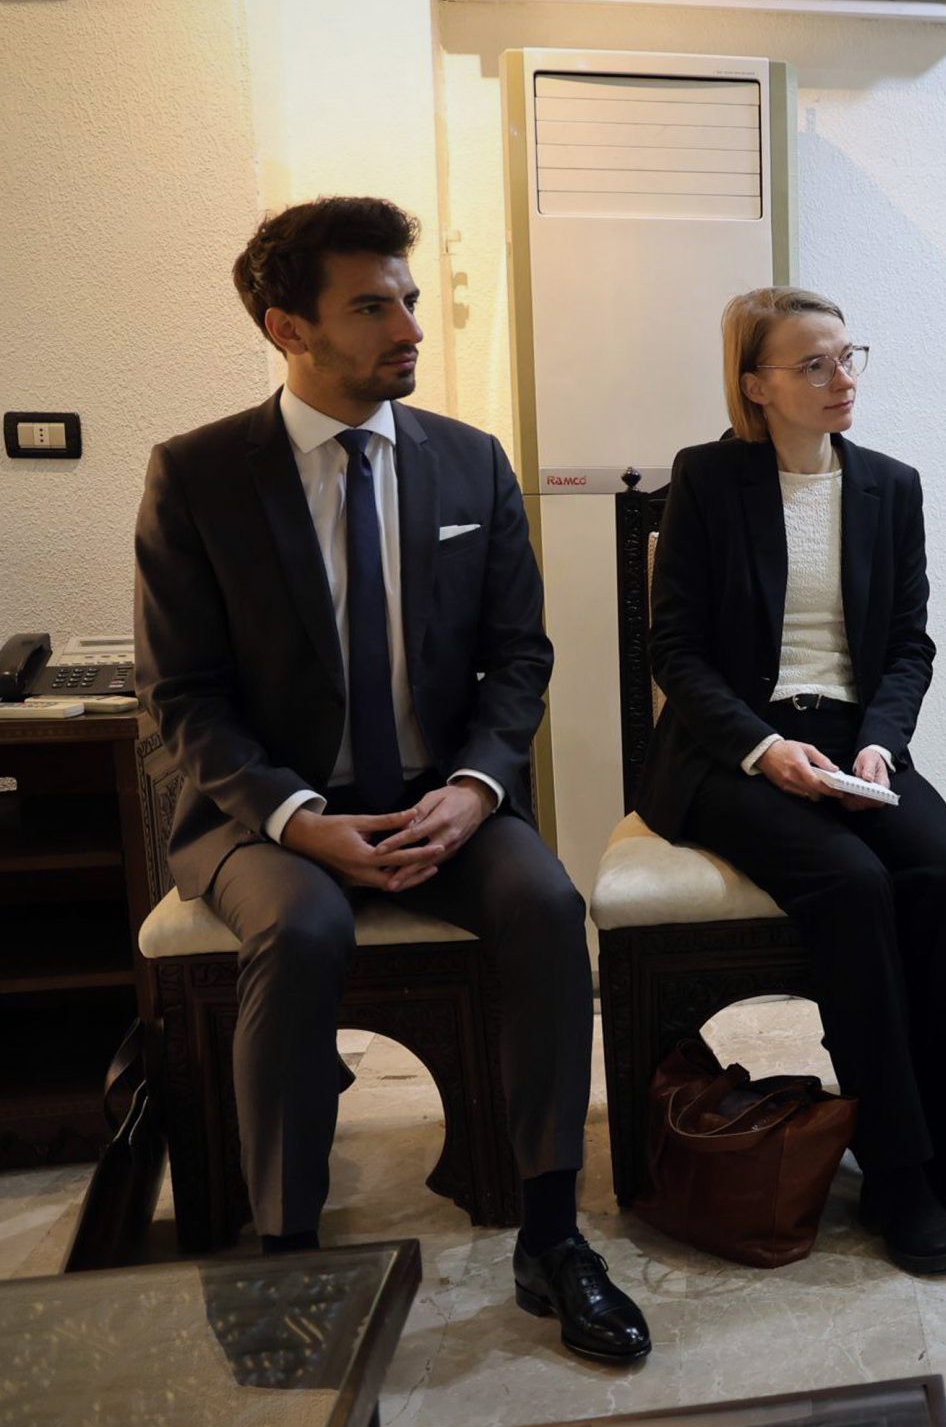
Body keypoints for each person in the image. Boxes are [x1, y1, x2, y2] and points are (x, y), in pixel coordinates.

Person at [135, 197, 647, 1362]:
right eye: (373, 306)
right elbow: (182, 696)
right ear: (289, 328)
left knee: (546, 903)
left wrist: (474, 790)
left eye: (409, 299)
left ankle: (552, 1235)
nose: (410, 327)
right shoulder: (200, 475)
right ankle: (288, 1256)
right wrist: (298, 819)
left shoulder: (468, 461)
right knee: (303, 928)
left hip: (437, 794)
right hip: (262, 813)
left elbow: (519, 657)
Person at [636, 286, 946, 1274]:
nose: (841, 378)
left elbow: (908, 644)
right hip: (732, 749)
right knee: (853, 884)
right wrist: (766, 749)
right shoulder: (707, 479)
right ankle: (895, 1166)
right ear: (756, 385)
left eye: (849, 356)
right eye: (813, 364)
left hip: (855, 740)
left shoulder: (890, 484)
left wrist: (881, 744)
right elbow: (676, 651)